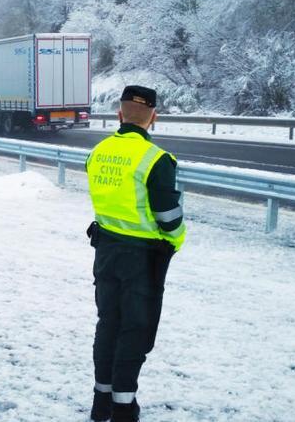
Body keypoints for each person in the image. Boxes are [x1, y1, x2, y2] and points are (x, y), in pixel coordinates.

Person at [85, 85, 186, 422]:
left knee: (108, 323)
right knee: (135, 329)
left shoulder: (98, 152)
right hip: (143, 259)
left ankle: (101, 402)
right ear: (153, 118)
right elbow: (169, 220)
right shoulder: (157, 159)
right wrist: (177, 240)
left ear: (119, 113)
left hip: (105, 252)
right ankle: (125, 407)